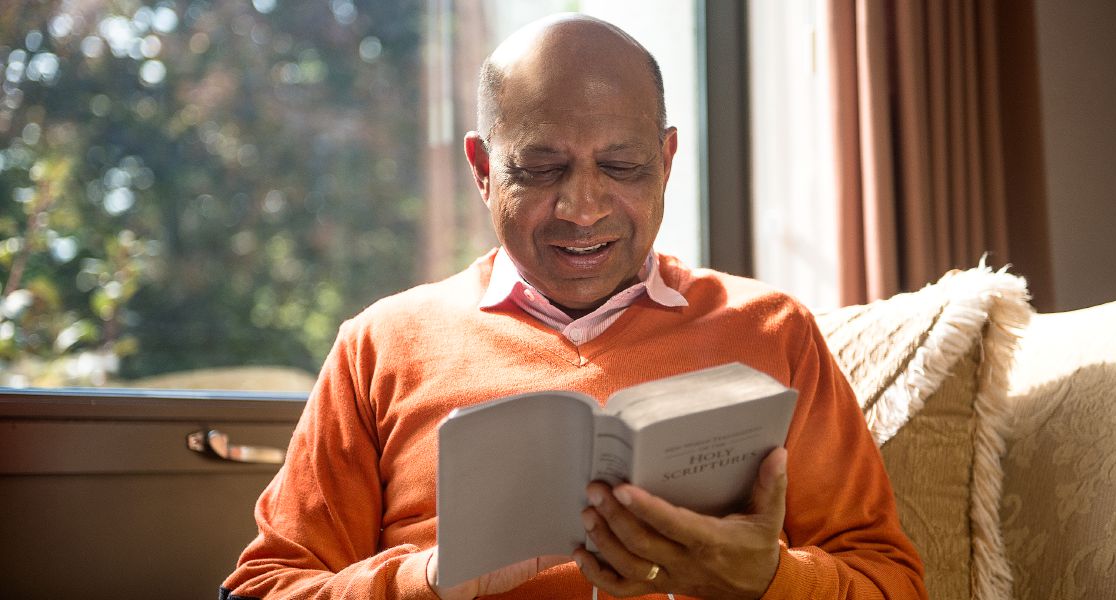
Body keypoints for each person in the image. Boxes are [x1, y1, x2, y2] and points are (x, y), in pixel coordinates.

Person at [221, 14, 926, 600]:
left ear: (668, 160)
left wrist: (770, 578)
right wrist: (429, 580)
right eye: (540, 169)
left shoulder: (774, 332)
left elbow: (891, 583)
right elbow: (265, 586)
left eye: (621, 168)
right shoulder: (380, 345)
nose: (582, 209)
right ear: (482, 169)